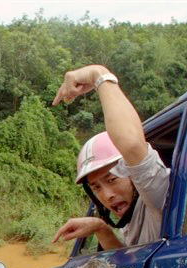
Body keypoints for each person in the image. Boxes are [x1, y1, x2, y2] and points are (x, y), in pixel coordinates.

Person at [51, 65, 170, 250]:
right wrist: (101, 229)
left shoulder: (159, 196)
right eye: (96, 187)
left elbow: (131, 144)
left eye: (112, 179)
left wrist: (98, 74)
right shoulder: (128, 221)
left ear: (133, 174)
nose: (107, 195)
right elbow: (128, 266)